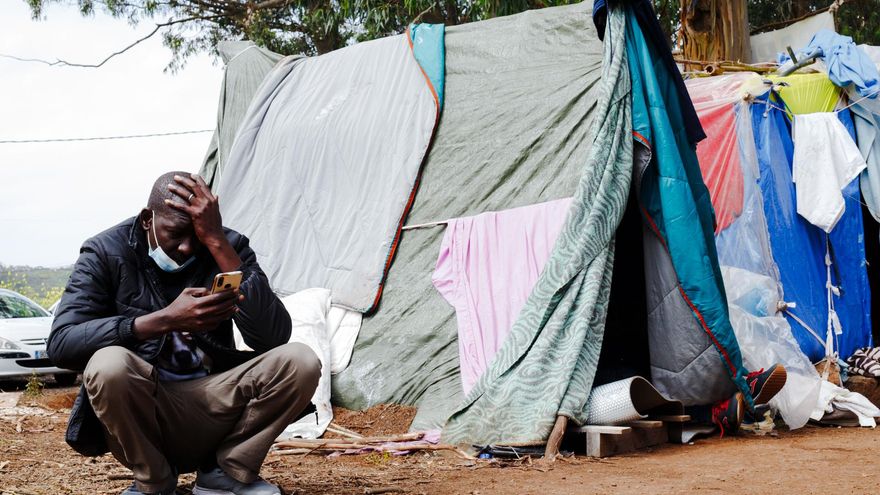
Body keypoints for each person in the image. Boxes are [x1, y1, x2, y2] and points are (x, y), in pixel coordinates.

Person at [48, 171, 320, 495]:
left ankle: (227, 474)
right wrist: (164, 320)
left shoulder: (225, 246)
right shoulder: (105, 251)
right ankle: (154, 481)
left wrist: (218, 243)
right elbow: (62, 342)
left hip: (214, 402)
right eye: (176, 233)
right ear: (148, 220)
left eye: (198, 235)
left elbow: (274, 336)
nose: (188, 247)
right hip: (144, 408)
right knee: (108, 364)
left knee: (301, 360)